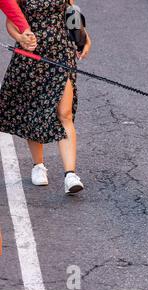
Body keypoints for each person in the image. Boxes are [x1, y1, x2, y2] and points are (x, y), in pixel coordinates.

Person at [0, 0, 91, 195]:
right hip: (33, 55)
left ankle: (70, 175)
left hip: (61, 52)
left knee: (64, 113)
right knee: (36, 111)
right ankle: (38, 165)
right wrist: (21, 37)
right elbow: (11, 22)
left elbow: (71, 10)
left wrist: (82, 36)